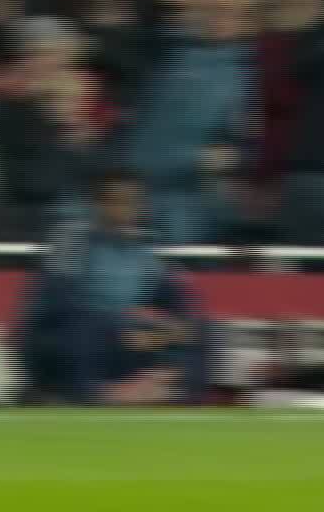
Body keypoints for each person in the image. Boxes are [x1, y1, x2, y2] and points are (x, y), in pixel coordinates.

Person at [17, 168, 213, 406]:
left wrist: (168, 331)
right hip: (63, 338)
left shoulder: (144, 250)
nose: (128, 209)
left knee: (202, 328)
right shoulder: (71, 239)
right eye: (118, 202)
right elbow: (61, 303)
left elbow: (180, 301)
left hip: (124, 337)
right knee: (86, 325)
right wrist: (124, 328)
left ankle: (172, 392)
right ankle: (94, 397)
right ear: (99, 205)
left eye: (135, 202)